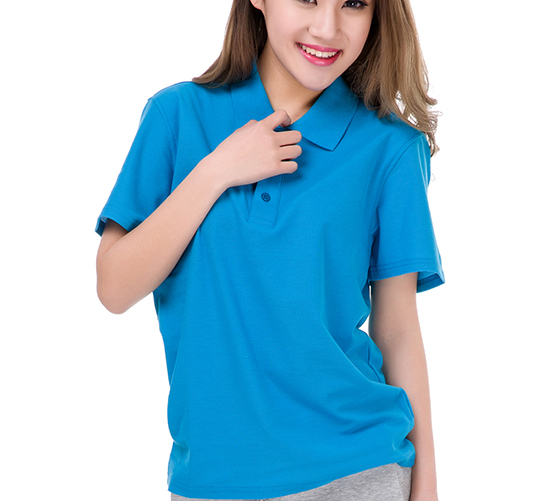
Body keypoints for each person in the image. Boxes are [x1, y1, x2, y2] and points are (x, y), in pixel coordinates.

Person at [95, 0, 444, 499]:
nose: (327, 27)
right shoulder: (177, 115)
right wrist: (217, 171)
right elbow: (114, 287)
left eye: (353, 3)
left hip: (357, 470)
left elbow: (398, 330)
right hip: (212, 480)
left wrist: (427, 490)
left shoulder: (390, 148)